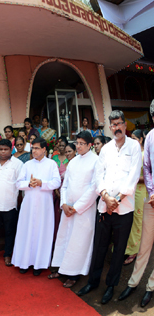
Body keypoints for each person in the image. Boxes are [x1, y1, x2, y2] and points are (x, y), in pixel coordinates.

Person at [77, 110, 142, 305]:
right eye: (112, 125)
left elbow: (132, 176)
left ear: (125, 125)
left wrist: (117, 200)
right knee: (99, 247)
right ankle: (93, 282)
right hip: (104, 207)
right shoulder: (105, 149)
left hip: (124, 209)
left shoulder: (134, 147)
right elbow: (99, 175)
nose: (116, 128)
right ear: (110, 127)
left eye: (119, 124)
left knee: (119, 250)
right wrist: (106, 197)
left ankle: (111, 286)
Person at [49, 131, 98, 288]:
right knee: (65, 239)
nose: (78, 146)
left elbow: (94, 188)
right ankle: (61, 269)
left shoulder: (96, 161)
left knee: (78, 242)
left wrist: (76, 207)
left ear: (90, 145)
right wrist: (63, 203)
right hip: (67, 208)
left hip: (83, 210)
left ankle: (74, 274)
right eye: (77, 143)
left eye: (82, 143)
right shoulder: (74, 162)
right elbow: (65, 185)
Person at [119, 103, 154, 307]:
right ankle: (133, 283)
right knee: (144, 246)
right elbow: (147, 168)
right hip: (151, 200)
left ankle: (150, 287)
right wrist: (152, 192)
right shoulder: (150, 137)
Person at [12, 138, 61, 276]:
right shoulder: (27, 164)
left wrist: (41, 183)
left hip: (44, 205)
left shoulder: (51, 164)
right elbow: (18, 183)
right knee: (26, 231)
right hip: (28, 205)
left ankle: (39, 264)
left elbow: (56, 182)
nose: (34, 151)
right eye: (33, 148)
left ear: (44, 149)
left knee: (42, 232)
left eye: (37, 148)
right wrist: (29, 184)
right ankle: (24, 262)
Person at [123, 129, 146, 266]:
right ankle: (126, 246)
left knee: (137, 219)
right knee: (128, 219)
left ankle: (134, 249)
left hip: (140, 190)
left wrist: (134, 179)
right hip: (129, 191)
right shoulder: (131, 154)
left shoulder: (145, 155)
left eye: (134, 138)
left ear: (141, 140)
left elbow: (150, 176)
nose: (132, 141)